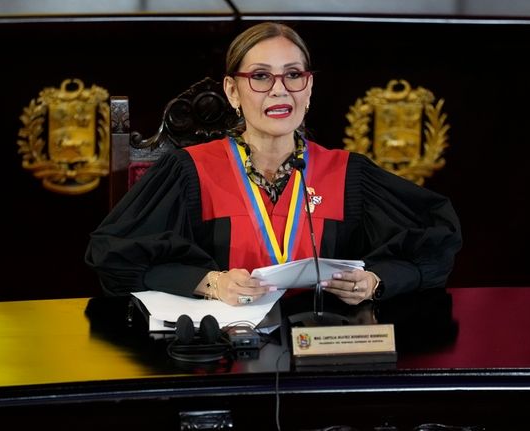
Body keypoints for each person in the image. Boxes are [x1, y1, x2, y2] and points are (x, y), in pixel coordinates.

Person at [85, 22, 461, 307]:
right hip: (222, 355)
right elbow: (114, 256)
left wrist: (375, 280)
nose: (280, 89)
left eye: (293, 75)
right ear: (233, 91)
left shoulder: (349, 174)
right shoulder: (189, 171)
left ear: (309, 88)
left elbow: (436, 243)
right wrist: (210, 282)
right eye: (261, 76)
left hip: (323, 351)